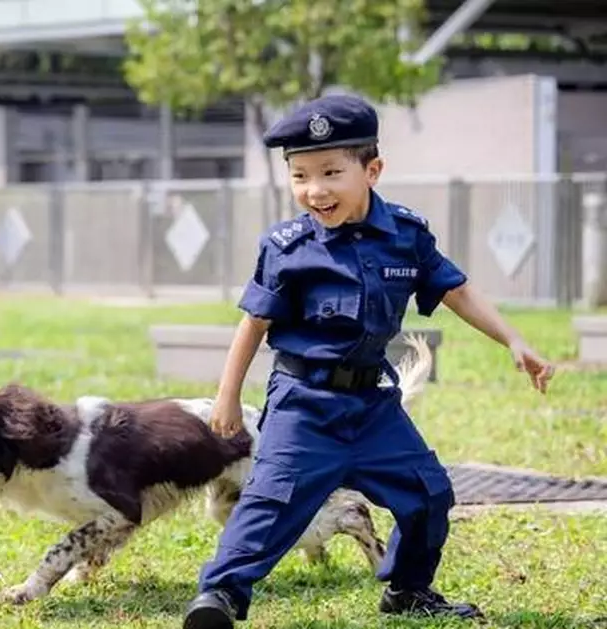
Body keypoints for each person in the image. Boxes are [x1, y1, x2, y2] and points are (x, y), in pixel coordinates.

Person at [182, 93, 556, 629]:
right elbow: (254, 324)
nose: (315, 190)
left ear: (372, 170)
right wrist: (226, 399)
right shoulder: (287, 248)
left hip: (372, 406)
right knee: (271, 502)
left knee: (428, 493)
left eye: (331, 172)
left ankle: (407, 590)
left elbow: (456, 291)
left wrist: (514, 341)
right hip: (303, 406)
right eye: (300, 176)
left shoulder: (405, 236)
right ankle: (219, 597)